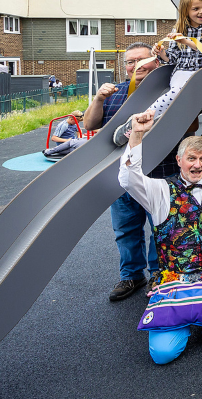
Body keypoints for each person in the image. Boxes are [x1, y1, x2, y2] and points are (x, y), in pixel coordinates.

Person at [117, 110, 202, 365]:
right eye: (191, 158)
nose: (197, 165)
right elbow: (128, 178)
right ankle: (182, 319)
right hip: (174, 280)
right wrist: (137, 134)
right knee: (163, 355)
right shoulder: (160, 189)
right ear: (179, 159)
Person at [83, 43, 169, 301]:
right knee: (125, 228)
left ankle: (158, 275)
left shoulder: (169, 92)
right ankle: (131, 275)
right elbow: (89, 123)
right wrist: (99, 99)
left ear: (155, 62)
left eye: (141, 61)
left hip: (160, 171)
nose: (135, 66)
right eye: (130, 62)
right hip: (121, 173)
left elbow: (191, 123)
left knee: (160, 227)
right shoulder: (116, 92)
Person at [113, 0, 202, 146]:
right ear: (186, 11)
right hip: (183, 71)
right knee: (176, 93)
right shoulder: (178, 29)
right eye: (196, 9)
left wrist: (187, 41)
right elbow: (173, 58)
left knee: (178, 96)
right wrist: (161, 53)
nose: (201, 12)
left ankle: (142, 120)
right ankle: (140, 122)